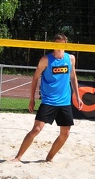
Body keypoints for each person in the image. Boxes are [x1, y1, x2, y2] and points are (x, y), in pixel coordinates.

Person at [11, 33, 84, 162]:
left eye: (62, 44)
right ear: (53, 44)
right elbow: (35, 77)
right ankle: (18, 157)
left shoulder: (70, 58)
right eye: (57, 44)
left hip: (64, 101)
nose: (59, 47)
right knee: (36, 129)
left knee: (65, 133)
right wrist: (32, 99)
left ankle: (49, 158)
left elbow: (73, 77)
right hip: (49, 100)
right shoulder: (46, 59)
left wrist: (77, 96)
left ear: (65, 44)